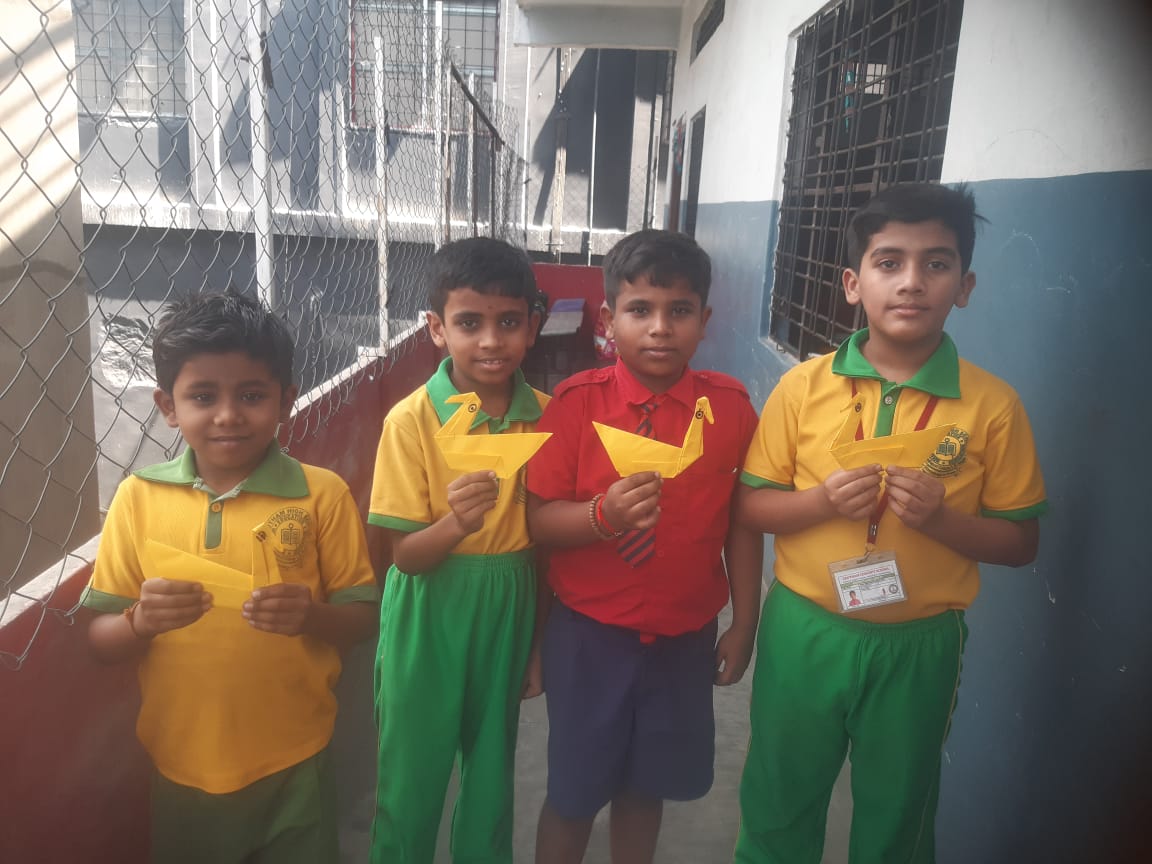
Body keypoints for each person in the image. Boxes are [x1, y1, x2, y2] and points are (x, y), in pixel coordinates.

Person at [734, 183, 1048, 863]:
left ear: (964, 286)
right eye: (888, 262)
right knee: (778, 803)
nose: (911, 282)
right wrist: (820, 504)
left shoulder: (993, 406)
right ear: (853, 284)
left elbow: (1021, 542)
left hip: (919, 645)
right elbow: (751, 506)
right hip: (805, 629)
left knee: (897, 819)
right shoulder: (803, 388)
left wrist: (942, 521)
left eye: (936, 263)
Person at [81, 289, 379, 864]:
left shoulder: (322, 495)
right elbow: (99, 641)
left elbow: (363, 619)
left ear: (286, 401)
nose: (227, 415)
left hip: (297, 755)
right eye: (202, 396)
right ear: (168, 406)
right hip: (182, 764)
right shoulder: (137, 499)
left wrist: (312, 616)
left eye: (251, 395)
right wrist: (140, 621)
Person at [527, 229, 763, 864]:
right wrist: (601, 516)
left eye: (679, 310)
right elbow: (539, 522)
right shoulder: (575, 406)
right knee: (573, 795)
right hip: (589, 636)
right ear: (609, 321)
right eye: (640, 310)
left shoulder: (730, 410)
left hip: (684, 639)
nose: (660, 328)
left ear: (705, 320)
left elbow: (742, 525)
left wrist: (745, 622)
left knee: (645, 788)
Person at [367, 236, 549, 864]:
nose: (491, 341)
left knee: (492, 779)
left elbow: (547, 552)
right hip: (429, 610)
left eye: (509, 322)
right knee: (410, 781)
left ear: (533, 326)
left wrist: (537, 644)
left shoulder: (548, 418)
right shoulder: (411, 420)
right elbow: (406, 557)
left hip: (510, 607)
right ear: (436, 329)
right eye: (470, 323)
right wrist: (456, 525)